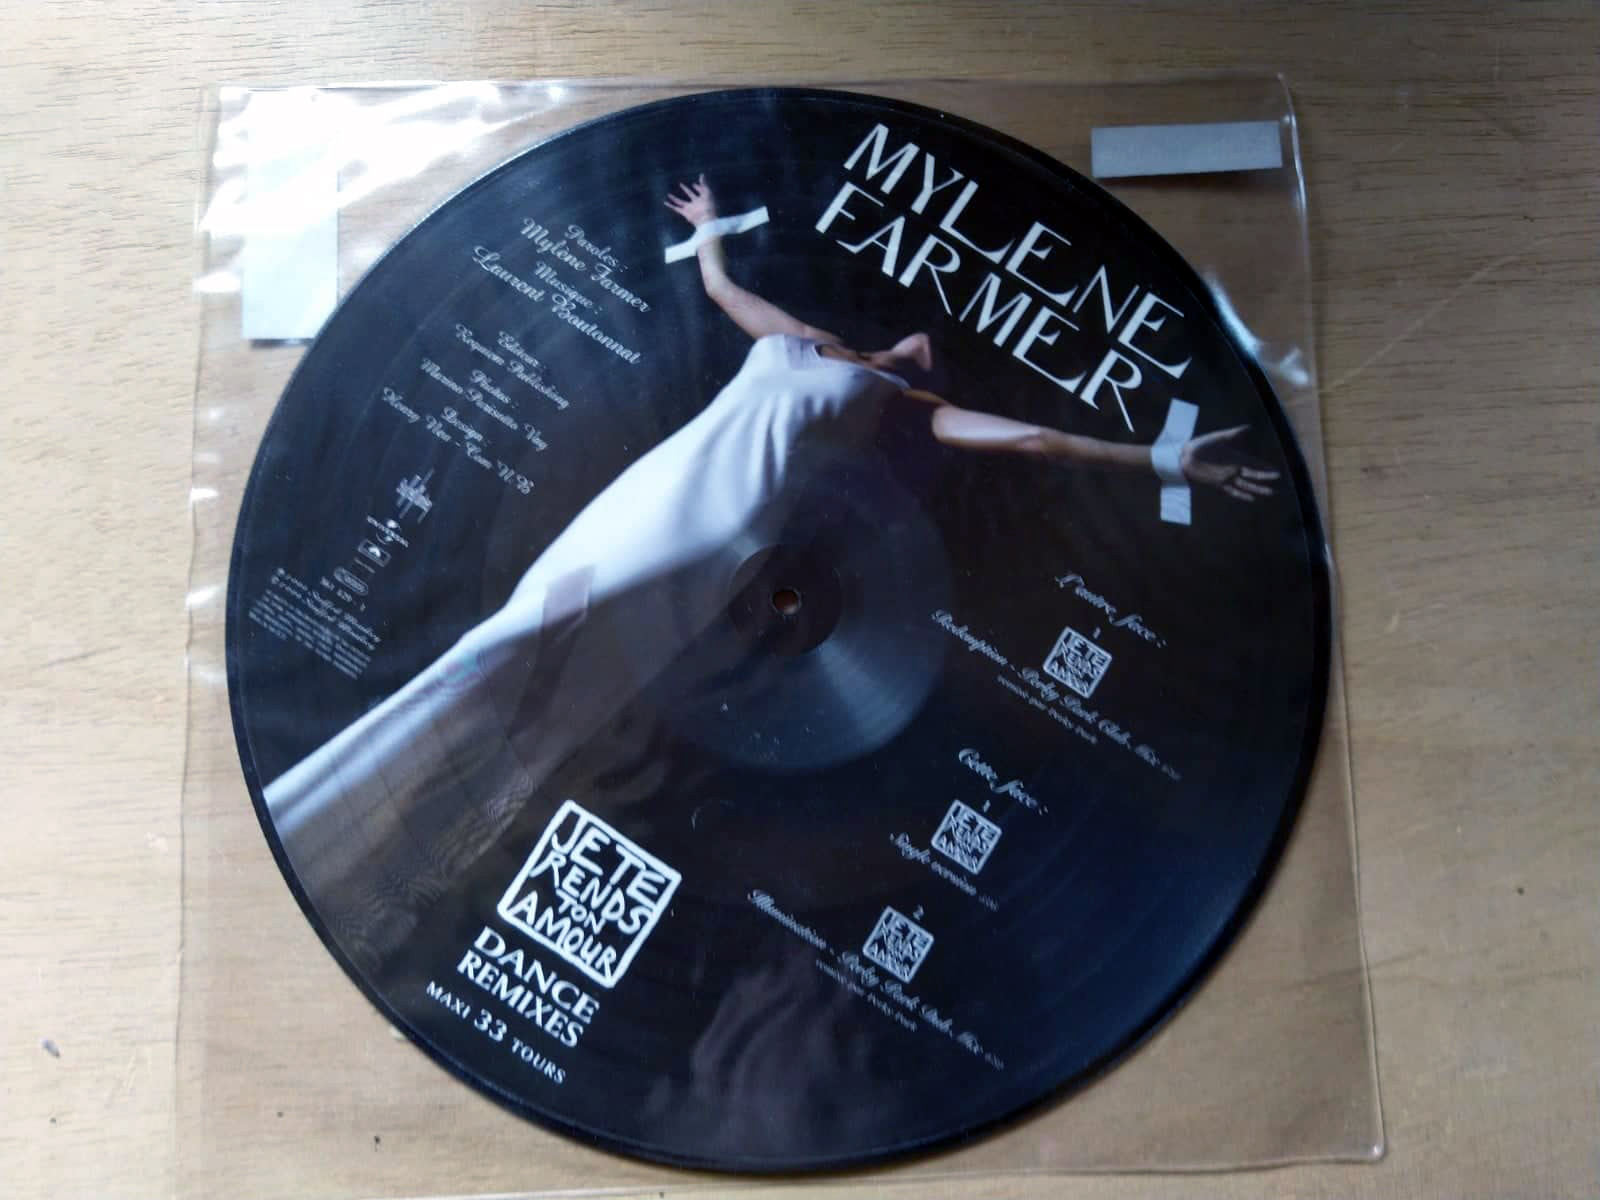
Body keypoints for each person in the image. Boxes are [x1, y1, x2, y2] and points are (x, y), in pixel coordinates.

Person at [263, 176, 1277, 965]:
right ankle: (368, 806)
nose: (931, 346)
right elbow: (720, 290)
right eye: (923, 336)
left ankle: (396, 843)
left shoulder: (907, 408)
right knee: (523, 627)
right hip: (654, 487)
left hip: (710, 529)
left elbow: (1037, 442)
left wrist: (1163, 459)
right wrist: (708, 226)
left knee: (551, 652)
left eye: (944, 357)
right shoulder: (807, 340)